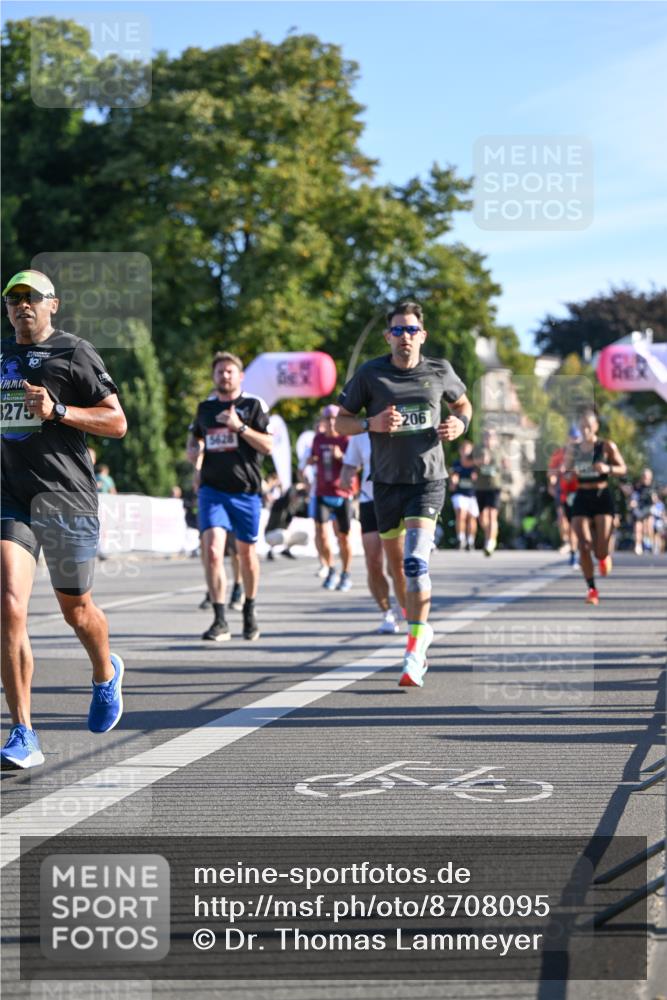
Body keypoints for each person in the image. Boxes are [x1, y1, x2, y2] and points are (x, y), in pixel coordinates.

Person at [1, 269, 127, 769]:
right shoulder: (1, 358)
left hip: (65, 498)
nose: (21, 306)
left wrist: (57, 410)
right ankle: (23, 733)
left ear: (54, 304)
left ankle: (104, 671)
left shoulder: (74, 353)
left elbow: (116, 423)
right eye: (13, 299)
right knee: (9, 605)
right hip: (11, 499)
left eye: (32, 298)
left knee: (78, 610)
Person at [336, 300, 472, 687]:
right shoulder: (370, 374)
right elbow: (341, 423)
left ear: (422, 335)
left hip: (428, 480)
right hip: (386, 483)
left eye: (411, 330)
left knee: (415, 562)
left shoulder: (439, 371)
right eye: (398, 330)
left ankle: (415, 649)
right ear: (388, 336)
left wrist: (460, 425)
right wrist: (370, 422)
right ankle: (418, 628)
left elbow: (463, 405)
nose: (405, 337)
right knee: (397, 569)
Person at [187, 351, 272, 641]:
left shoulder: (253, 405)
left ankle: (249, 608)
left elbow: (268, 446)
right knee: (212, 550)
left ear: (240, 376)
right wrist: (194, 454)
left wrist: (240, 427)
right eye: (220, 371)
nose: (224, 375)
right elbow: (195, 437)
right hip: (212, 490)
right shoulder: (205, 408)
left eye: (229, 371)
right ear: (213, 376)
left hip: (246, 492)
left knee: (247, 554)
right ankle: (220, 619)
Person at [340, 432, 404, 634]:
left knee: (397, 566)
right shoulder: (360, 434)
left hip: (398, 500)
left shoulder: (402, 426)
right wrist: (346, 476)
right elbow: (350, 463)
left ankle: (406, 607)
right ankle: (387, 613)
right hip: (370, 500)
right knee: (373, 563)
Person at [564, 406, 627, 605]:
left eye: (589, 426)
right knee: (583, 545)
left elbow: (623, 468)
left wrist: (607, 467)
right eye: (582, 426)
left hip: (602, 495)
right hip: (582, 494)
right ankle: (591, 589)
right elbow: (564, 473)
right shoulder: (573, 448)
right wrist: (569, 473)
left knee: (600, 549)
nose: (585, 430)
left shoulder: (606, 446)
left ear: (596, 426)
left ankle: (603, 556)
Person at [307, 404, 356, 592]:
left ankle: (346, 572)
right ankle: (331, 569)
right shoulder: (318, 439)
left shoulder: (346, 440)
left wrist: (341, 457)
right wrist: (309, 462)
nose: (331, 422)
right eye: (327, 418)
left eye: (334, 418)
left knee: (343, 538)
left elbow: (355, 466)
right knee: (322, 535)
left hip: (342, 494)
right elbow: (312, 458)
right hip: (322, 492)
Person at [547, 427, 581, 567]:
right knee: (562, 519)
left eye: (577, 438)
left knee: (575, 523)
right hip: (562, 491)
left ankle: (573, 552)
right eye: (573, 438)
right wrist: (553, 478)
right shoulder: (559, 454)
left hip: (577, 492)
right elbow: (551, 473)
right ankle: (567, 542)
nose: (574, 441)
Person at [474, 427, 507, 557]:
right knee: (482, 517)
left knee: (492, 514)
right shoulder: (478, 449)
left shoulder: (499, 451)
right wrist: (480, 462)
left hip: (495, 486)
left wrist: (505, 464)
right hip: (481, 487)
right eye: (487, 436)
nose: (489, 439)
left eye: (491, 436)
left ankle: (490, 542)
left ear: (495, 438)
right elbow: (471, 462)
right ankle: (489, 534)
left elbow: (505, 464)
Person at [449, 440, 478, 551]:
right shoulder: (456, 464)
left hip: (472, 494)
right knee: (461, 514)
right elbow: (453, 478)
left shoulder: (475, 464)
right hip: (459, 493)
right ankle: (461, 539)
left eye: (468, 449)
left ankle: (470, 541)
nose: (466, 451)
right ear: (460, 451)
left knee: (471, 518)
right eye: (464, 449)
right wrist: (453, 481)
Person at [630, 467, 655, 555]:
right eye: (645, 477)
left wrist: (654, 499)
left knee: (649, 527)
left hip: (649, 509)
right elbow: (633, 497)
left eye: (648, 477)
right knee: (638, 527)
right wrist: (633, 502)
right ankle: (638, 545)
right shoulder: (637, 487)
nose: (646, 479)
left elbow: (655, 501)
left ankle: (650, 544)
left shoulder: (653, 487)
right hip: (640, 509)